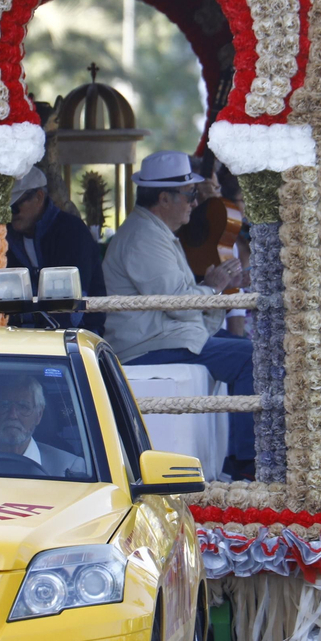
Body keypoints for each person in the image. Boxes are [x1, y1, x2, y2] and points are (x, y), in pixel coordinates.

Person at [102, 150, 254, 477]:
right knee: (250, 357)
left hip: (166, 338)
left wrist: (218, 288)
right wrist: (213, 288)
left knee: (250, 351)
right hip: (149, 346)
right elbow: (177, 304)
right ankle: (246, 465)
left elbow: (180, 303)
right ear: (164, 198)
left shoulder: (154, 232)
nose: (195, 203)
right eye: (190, 195)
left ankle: (241, 459)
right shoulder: (144, 237)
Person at [6, 167, 107, 333]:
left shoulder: (71, 232)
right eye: (7, 208)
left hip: (77, 334)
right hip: (24, 336)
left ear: (39, 197)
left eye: (15, 206)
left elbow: (73, 305)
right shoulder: (7, 237)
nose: (11, 213)